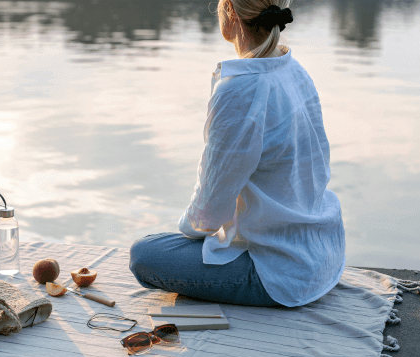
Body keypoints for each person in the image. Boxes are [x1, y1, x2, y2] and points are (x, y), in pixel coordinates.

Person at [129, 0, 346, 308]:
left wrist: (193, 233)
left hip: (280, 273)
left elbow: (207, 215)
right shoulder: (293, 69)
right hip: (323, 252)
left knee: (145, 255)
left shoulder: (241, 88)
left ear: (229, 10)